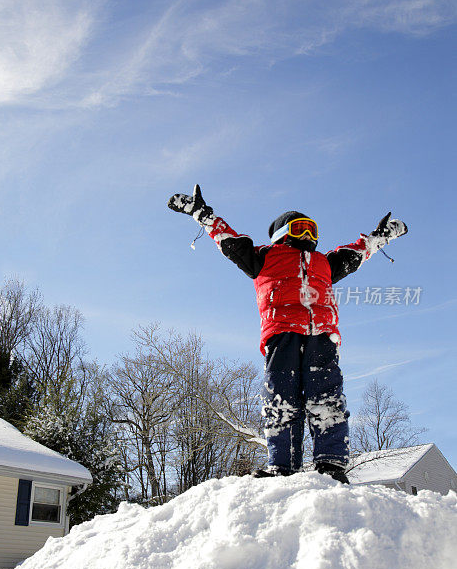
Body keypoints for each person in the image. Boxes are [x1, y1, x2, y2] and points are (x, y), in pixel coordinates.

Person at [168, 185, 408, 483]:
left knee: (327, 397)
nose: (308, 235)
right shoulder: (264, 257)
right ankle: (282, 463)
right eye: (300, 228)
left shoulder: (325, 262)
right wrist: (201, 214)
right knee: (281, 396)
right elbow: (228, 240)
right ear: (283, 232)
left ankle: (331, 463)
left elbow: (358, 253)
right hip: (282, 335)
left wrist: (382, 236)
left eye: (312, 228)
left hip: (322, 336)